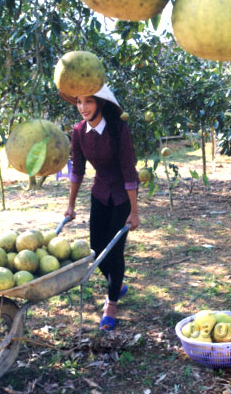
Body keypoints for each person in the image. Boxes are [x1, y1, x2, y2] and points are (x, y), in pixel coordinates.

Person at [61, 84, 140, 331]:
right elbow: (78, 171)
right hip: (99, 193)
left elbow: (129, 170)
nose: (83, 108)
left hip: (122, 196)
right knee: (96, 249)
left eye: (89, 102)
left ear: (100, 104)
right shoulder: (78, 132)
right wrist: (70, 205)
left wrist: (135, 211)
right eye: (79, 102)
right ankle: (115, 283)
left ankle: (112, 304)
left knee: (114, 251)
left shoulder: (118, 129)